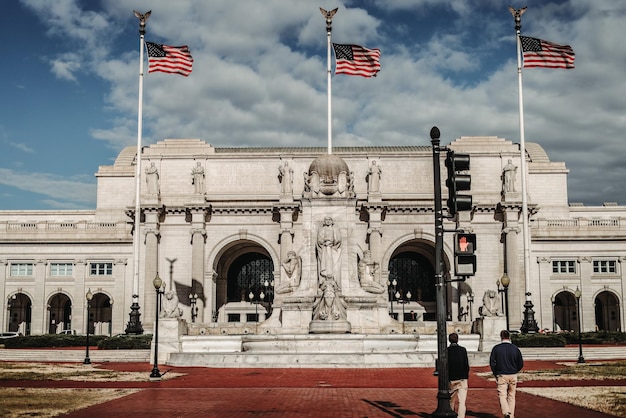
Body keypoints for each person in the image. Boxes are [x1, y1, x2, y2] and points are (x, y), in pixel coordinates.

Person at [490, 330, 524, 418]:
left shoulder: (496, 348)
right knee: (512, 396)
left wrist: (495, 373)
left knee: (502, 395)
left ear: (501, 337)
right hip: (513, 374)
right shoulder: (515, 348)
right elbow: (520, 363)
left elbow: (492, 362)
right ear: (509, 337)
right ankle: (511, 415)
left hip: (501, 374)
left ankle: (506, 412)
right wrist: (516, 370)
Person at [447, 332, 470, 418]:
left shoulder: (446, 351)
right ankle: (461, 416)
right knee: (462, 401)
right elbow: (466, 364)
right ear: (457, 340)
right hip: (462, 378)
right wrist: (466, 375)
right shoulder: (462, 350)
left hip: (452, 378)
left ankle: (451, 413)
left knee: (451, 400)